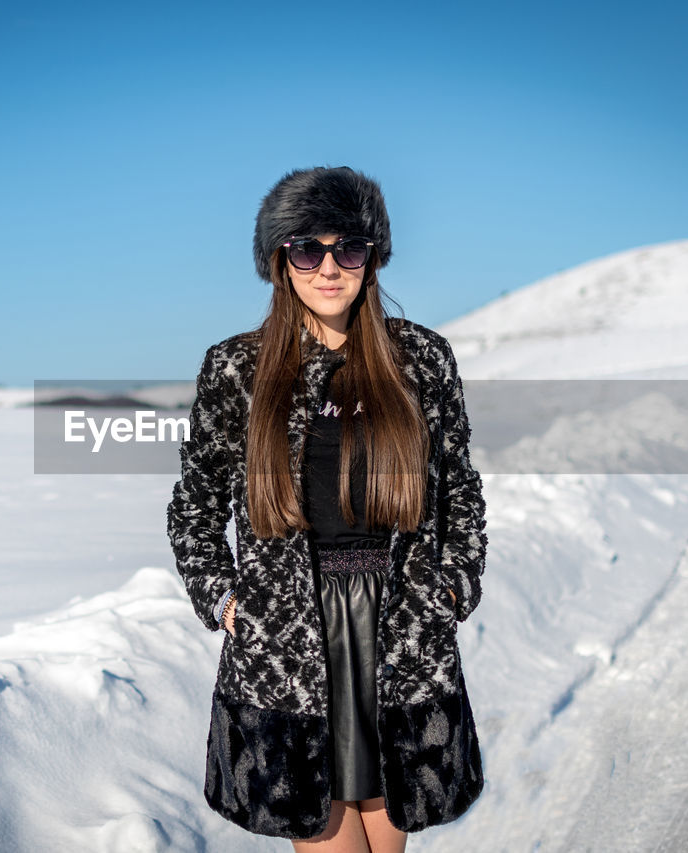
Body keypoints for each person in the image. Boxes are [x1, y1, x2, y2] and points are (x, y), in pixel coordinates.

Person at [167, 166, 487, 850]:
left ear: (374, 258)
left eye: (350, 248)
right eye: (307, 248)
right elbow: (193, 508)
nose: (330, 267)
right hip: (291, 637)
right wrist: (226, 602)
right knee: (327, 833)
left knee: (388, 833)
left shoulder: (422, 360)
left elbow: (459, 486)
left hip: (400, 628)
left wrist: (454, 586)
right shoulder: (236, 369)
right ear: (279, 261)